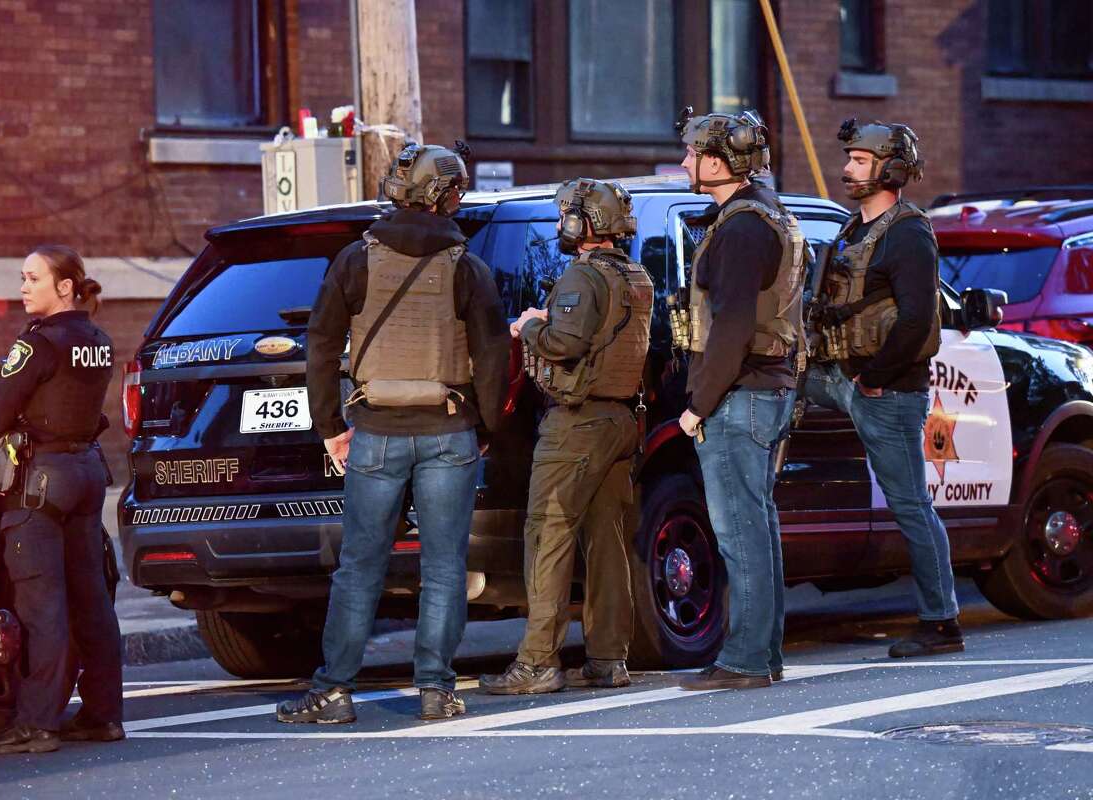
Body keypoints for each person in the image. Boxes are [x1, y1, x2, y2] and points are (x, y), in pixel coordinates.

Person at [277, 142, 509, 723]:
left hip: (375, 429)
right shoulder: (467, 267)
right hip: (448, 429)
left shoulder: (356, 260)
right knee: (444, 566)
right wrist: (484, 428)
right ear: (443, 196)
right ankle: (436, 690)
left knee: (360, 565)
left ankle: (333, 691)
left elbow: (323, 345)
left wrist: (330, 426)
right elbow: (492, 353)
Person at [479, 178, 653, 695]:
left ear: (584, 223)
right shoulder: (635, 274)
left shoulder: (583, 276)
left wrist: (530, 325)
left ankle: (536, 662)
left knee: (548, 536)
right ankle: (607, 659)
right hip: (620, 421)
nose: (560, 225)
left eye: (564, 217)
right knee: (608, 543)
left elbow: (563, 341)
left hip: (576, 423)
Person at [806, 119, 961, 658]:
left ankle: (941, 623)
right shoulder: (853, 228)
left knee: (910, 505)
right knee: (779, 390)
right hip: (841, 377)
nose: (846, 168)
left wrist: (873, 379)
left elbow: (918, 320)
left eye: (860, 160)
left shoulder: (910, 233)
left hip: (888, 392)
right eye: (848, 158)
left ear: (890, 169)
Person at [672, 109, 806, 692]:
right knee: (758, 525)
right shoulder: (764, 216)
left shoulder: (743, 226)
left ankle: (747, 659)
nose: (684, 162)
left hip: (740, 393)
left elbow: (729, 327)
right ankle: (762, 653)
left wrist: (697, 402)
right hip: (764, 389)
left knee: (740, 531)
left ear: (720, 163)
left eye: (692, 153)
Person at [0, 245, 123, 754]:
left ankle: (37, 723)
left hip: (41, 481)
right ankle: (104, 715)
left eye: (32, 279)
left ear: (64, 287)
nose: (23, 288)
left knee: (43, 605)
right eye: (21, 278)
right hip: (86, 472)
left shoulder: (38, 344)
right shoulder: (97, 339)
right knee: (92, 602)